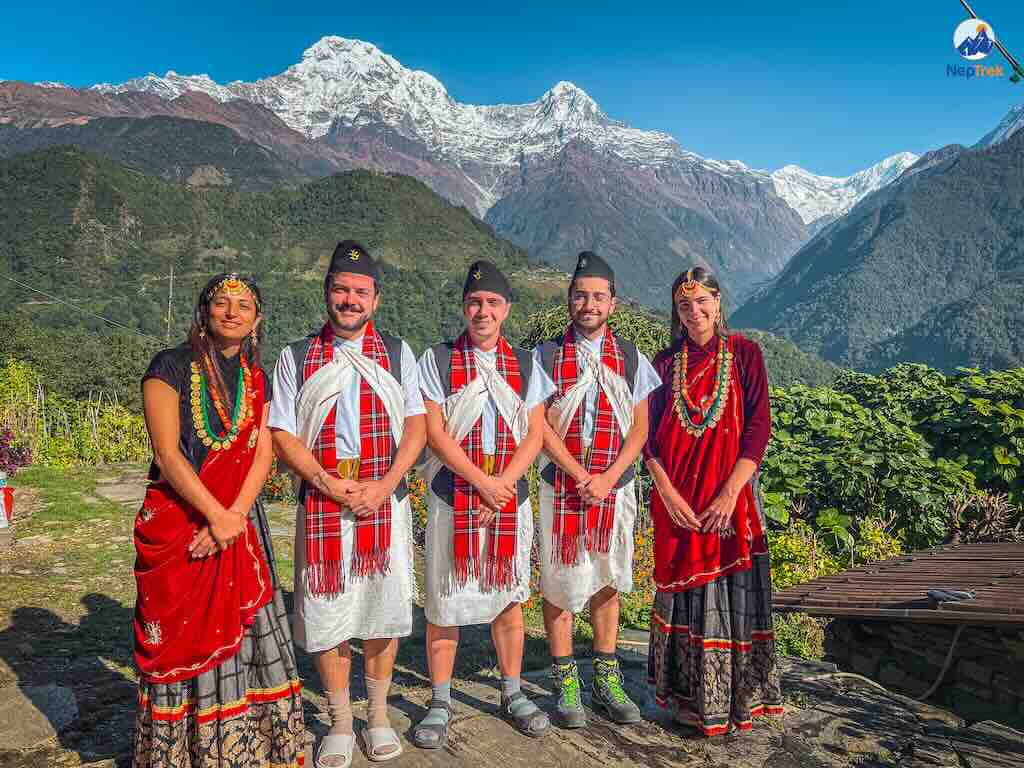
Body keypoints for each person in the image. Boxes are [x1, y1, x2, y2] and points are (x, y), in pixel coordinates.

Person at [134, 273, 305, 768]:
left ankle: (249, 751)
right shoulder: (168, 366)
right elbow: (168, 455)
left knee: (252, 629)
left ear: (257, 319)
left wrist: (231, 518)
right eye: (221, 303)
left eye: (244, 305)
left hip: (239, 522)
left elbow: (261, 456)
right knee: (184, 634)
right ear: (204, 311)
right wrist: (214, 515)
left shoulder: (256, 377)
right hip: (180, 520)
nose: (231, 312)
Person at [270, 241, 426, 768]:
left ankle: (378, 715)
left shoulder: (400, 354)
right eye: (341, 289)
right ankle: (339, 721)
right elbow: (283, 432)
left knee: (383, 610)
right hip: (322, 501)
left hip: (386, 497)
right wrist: (325, 482)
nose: (350, 299)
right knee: (326, 610)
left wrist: (386, 484)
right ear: (326, 294)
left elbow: (416, 425)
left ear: (376, 299)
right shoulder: (294, 357)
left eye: (360, 291)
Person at [412, 260, 554, 748]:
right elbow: (433, 430)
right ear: (463, 307)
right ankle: (440, 700)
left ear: (507, 309)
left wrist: (503, 485)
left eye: (493, 303)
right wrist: (480, 483)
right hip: (454, 495)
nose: (483, 311)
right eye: (475, 302)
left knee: (508, 600)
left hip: (508, 496)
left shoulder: (529, 364)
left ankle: (511, 692)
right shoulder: (437, 359)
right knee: (444, 602)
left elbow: (535, 432)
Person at [643, 266, 784, 737]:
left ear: (719, 303)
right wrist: (665, 490)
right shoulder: (663, 365)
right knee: (685, 600)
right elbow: (648, 440)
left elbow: (758, 427)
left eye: (703, 301)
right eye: (685, 305)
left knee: (728, 598)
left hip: (731, 501)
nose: (695, 312)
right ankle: (686, 698)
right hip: (678, 503)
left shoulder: (745, 355)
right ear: (676, 312)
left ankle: (736, 698)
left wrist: (730, 493)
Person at [532, 251, 661, 728]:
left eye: (598, 297)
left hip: (615, 487)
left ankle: (606, 675)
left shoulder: (630, 358)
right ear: (569, 300)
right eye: (581, 295)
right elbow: (539, 425)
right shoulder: (544, 357)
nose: (589, 303)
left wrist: (607, 478)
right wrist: (577, 473)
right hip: (562, 486)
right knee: (562, 580)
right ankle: (566, 679)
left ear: (613, 304)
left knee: (608, 578)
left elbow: (641, 427)